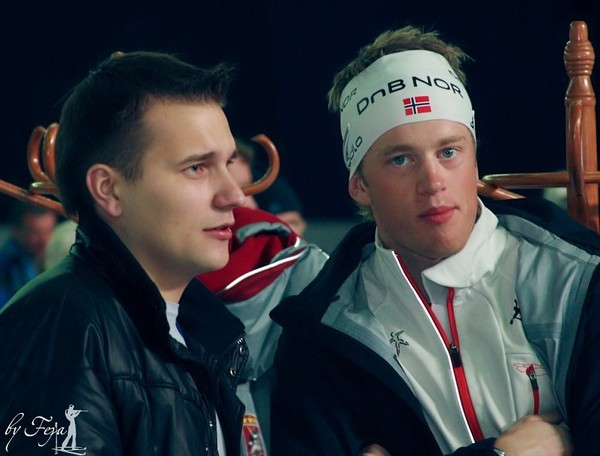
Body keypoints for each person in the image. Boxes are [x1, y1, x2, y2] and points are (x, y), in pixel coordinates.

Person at [270, 25, 600, 455]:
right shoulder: (319, 337)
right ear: (360, 185)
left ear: (474, 159)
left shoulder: (579, 278)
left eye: (448, 152)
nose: (432, 182)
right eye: (400, 159)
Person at [0, 51, 251, 455]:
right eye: (197, 168)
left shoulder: (199, 328)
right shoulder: (63, 326)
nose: (234, 194)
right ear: (109, 190)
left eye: (228, 163)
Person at [0, 200, 57, 308]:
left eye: (48, 231)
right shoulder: (6, 265)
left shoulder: (57, 257)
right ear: (16, 230)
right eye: (35, 232)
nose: (43, 240)